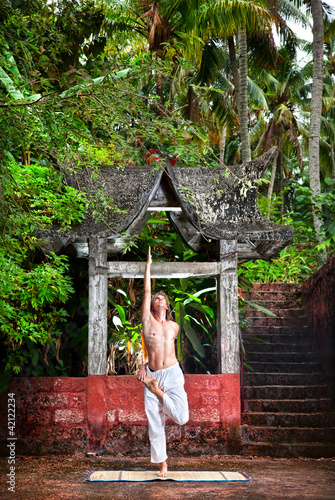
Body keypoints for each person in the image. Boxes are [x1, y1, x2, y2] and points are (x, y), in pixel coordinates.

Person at [137, 247, 189, 478]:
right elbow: (147, 290)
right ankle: (163, 465)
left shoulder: (174, 327)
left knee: (182, 417)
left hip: (173, 373)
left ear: (167, 305)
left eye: (162, 298)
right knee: (155, 424)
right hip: (153, 374)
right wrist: (148, 265)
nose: (158, 299)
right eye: (157, 297)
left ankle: (157, 393)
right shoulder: (147, 321)